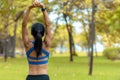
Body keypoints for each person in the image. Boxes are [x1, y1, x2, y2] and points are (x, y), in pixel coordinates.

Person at [22, 1, 51, 80]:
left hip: (31, 77)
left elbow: (24, 25)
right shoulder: (46, 44)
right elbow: (48, 24)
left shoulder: (28, 45)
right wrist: (43, 8)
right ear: (43, 33)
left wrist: (29, 8)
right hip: (44, 77)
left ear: (32, 33)